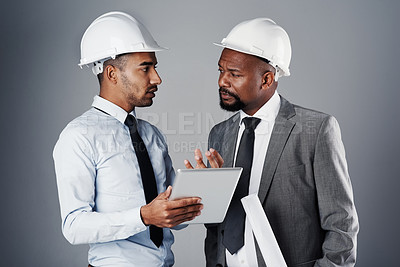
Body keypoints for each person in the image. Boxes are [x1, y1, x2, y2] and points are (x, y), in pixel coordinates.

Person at [185, 18, 359, 266]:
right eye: (221, 70)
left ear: (267, 80)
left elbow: (341, 225)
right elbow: (217, 225)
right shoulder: (219, 133)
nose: (222, 81)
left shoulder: (316, 129)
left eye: (234, 74)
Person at [53, 11, 204, 267]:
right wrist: (143, 216)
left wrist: (197, 190)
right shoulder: (78, 136)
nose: (157, 78)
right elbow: (74, 226)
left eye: (155, 67)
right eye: (146, 68)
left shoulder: (152, 135)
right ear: (112, 74)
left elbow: (172, 220)